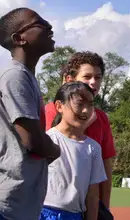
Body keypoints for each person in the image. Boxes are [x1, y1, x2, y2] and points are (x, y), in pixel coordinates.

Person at [0, 8, 61, 220]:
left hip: (22, 203)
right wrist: (55, 150)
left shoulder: (26, 77)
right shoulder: (15, 76)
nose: (49, 26)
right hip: (9, 202)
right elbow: (33, 141)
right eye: (40, 22)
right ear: (20, 38)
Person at [44, 52, 117, 210]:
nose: (93, 82)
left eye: (98, 77)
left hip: (87, 205)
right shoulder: (49, 112)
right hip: (52, 206)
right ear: (70, 79)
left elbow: (105, 165)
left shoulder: (101, 118)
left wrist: (105, 207)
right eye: (87, 76)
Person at [41, 82, 107, 220]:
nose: (86, 110)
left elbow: (93, 195)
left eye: (90, 104)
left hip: (75, 215)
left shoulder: (93, 148)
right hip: (42, 213)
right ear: (59, 106)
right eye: (80, 104)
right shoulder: (47, 140)